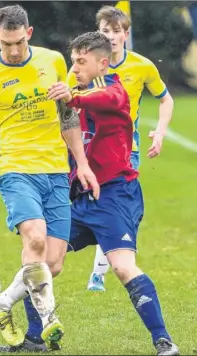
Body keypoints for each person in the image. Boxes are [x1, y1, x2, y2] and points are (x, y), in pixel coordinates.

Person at [0, 4, 99, 352]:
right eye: (7, 44)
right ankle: (49, 321)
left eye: (19, 42)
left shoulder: (53, 61)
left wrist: (81, 163)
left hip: (54, 171)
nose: (14, 50)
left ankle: (3, 305)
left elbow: (68, 118)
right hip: (16, 169)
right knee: (33, 240)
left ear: (29, 33)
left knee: (51, 264)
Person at [49, 31, 179, 356]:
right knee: (44, 260)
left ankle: (163, 341)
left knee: (122, 268)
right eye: (73, 61)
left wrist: (72, 99)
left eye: (82, 61)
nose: (75, 68)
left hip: (115, 195)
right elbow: (67, 129)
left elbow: (105, 100)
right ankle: (30, 335)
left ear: (101, 63)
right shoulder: (73, 90)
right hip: (81, 196)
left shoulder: (117, 90)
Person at [68, 5, 174, 292]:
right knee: (94, 204)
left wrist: (160, 132)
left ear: (126, 35)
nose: (111, 36)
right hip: (91, 151)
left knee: (111, 204)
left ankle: (99, 273)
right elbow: (68, 112)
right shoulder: (81, 68)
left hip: (127, 149)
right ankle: (103, 262)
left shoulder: (141, 66)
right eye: (105, 31)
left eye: (116, 31)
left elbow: (165, 99)